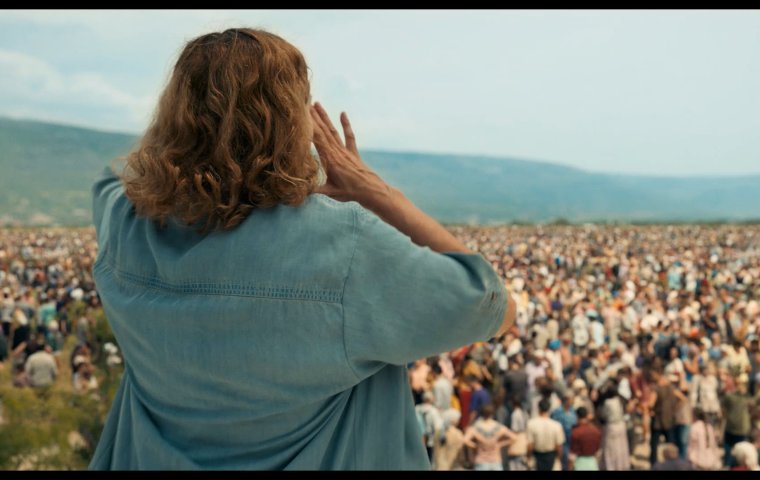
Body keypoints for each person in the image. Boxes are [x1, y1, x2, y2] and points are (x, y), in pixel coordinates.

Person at [87, 28, 515, 470]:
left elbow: (112, 179)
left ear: (173, 118)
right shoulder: (345, 248)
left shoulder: (127, 226)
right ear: (294, 123)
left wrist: (186, 137)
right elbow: (494, 306)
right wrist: (379, 194)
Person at [463, 404, 514, 471]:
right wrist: (500, 444)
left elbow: (465, 440)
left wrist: (475, 446)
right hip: (496, 460)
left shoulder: (476, 427)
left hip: (481, 460)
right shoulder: (498, 426)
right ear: (492, 413)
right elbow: (513, 437)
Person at [527, 398, 565, 471]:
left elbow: (530, 445)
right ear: (549, 409)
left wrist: (528, 457)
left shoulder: (531, 424)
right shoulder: (556, 425)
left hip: (538, 456)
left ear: (538, 408)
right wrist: (559, 459)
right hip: (551, 456)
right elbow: (559, 446)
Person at [550, 392, 577, 470]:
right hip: (561, 440)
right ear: (565, 401)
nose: (572, 402)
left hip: (571, 440)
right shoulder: (557, 412)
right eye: (571, 400)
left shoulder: (572, 410)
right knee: (562, 461)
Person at [569, 406, 602, 471]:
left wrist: (570, 467)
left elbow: (572, 455)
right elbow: (598, 452)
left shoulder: (575, 432)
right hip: (593, 463)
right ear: (587, 416)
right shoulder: (596, 431)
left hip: (579, 463)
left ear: (576, 416)